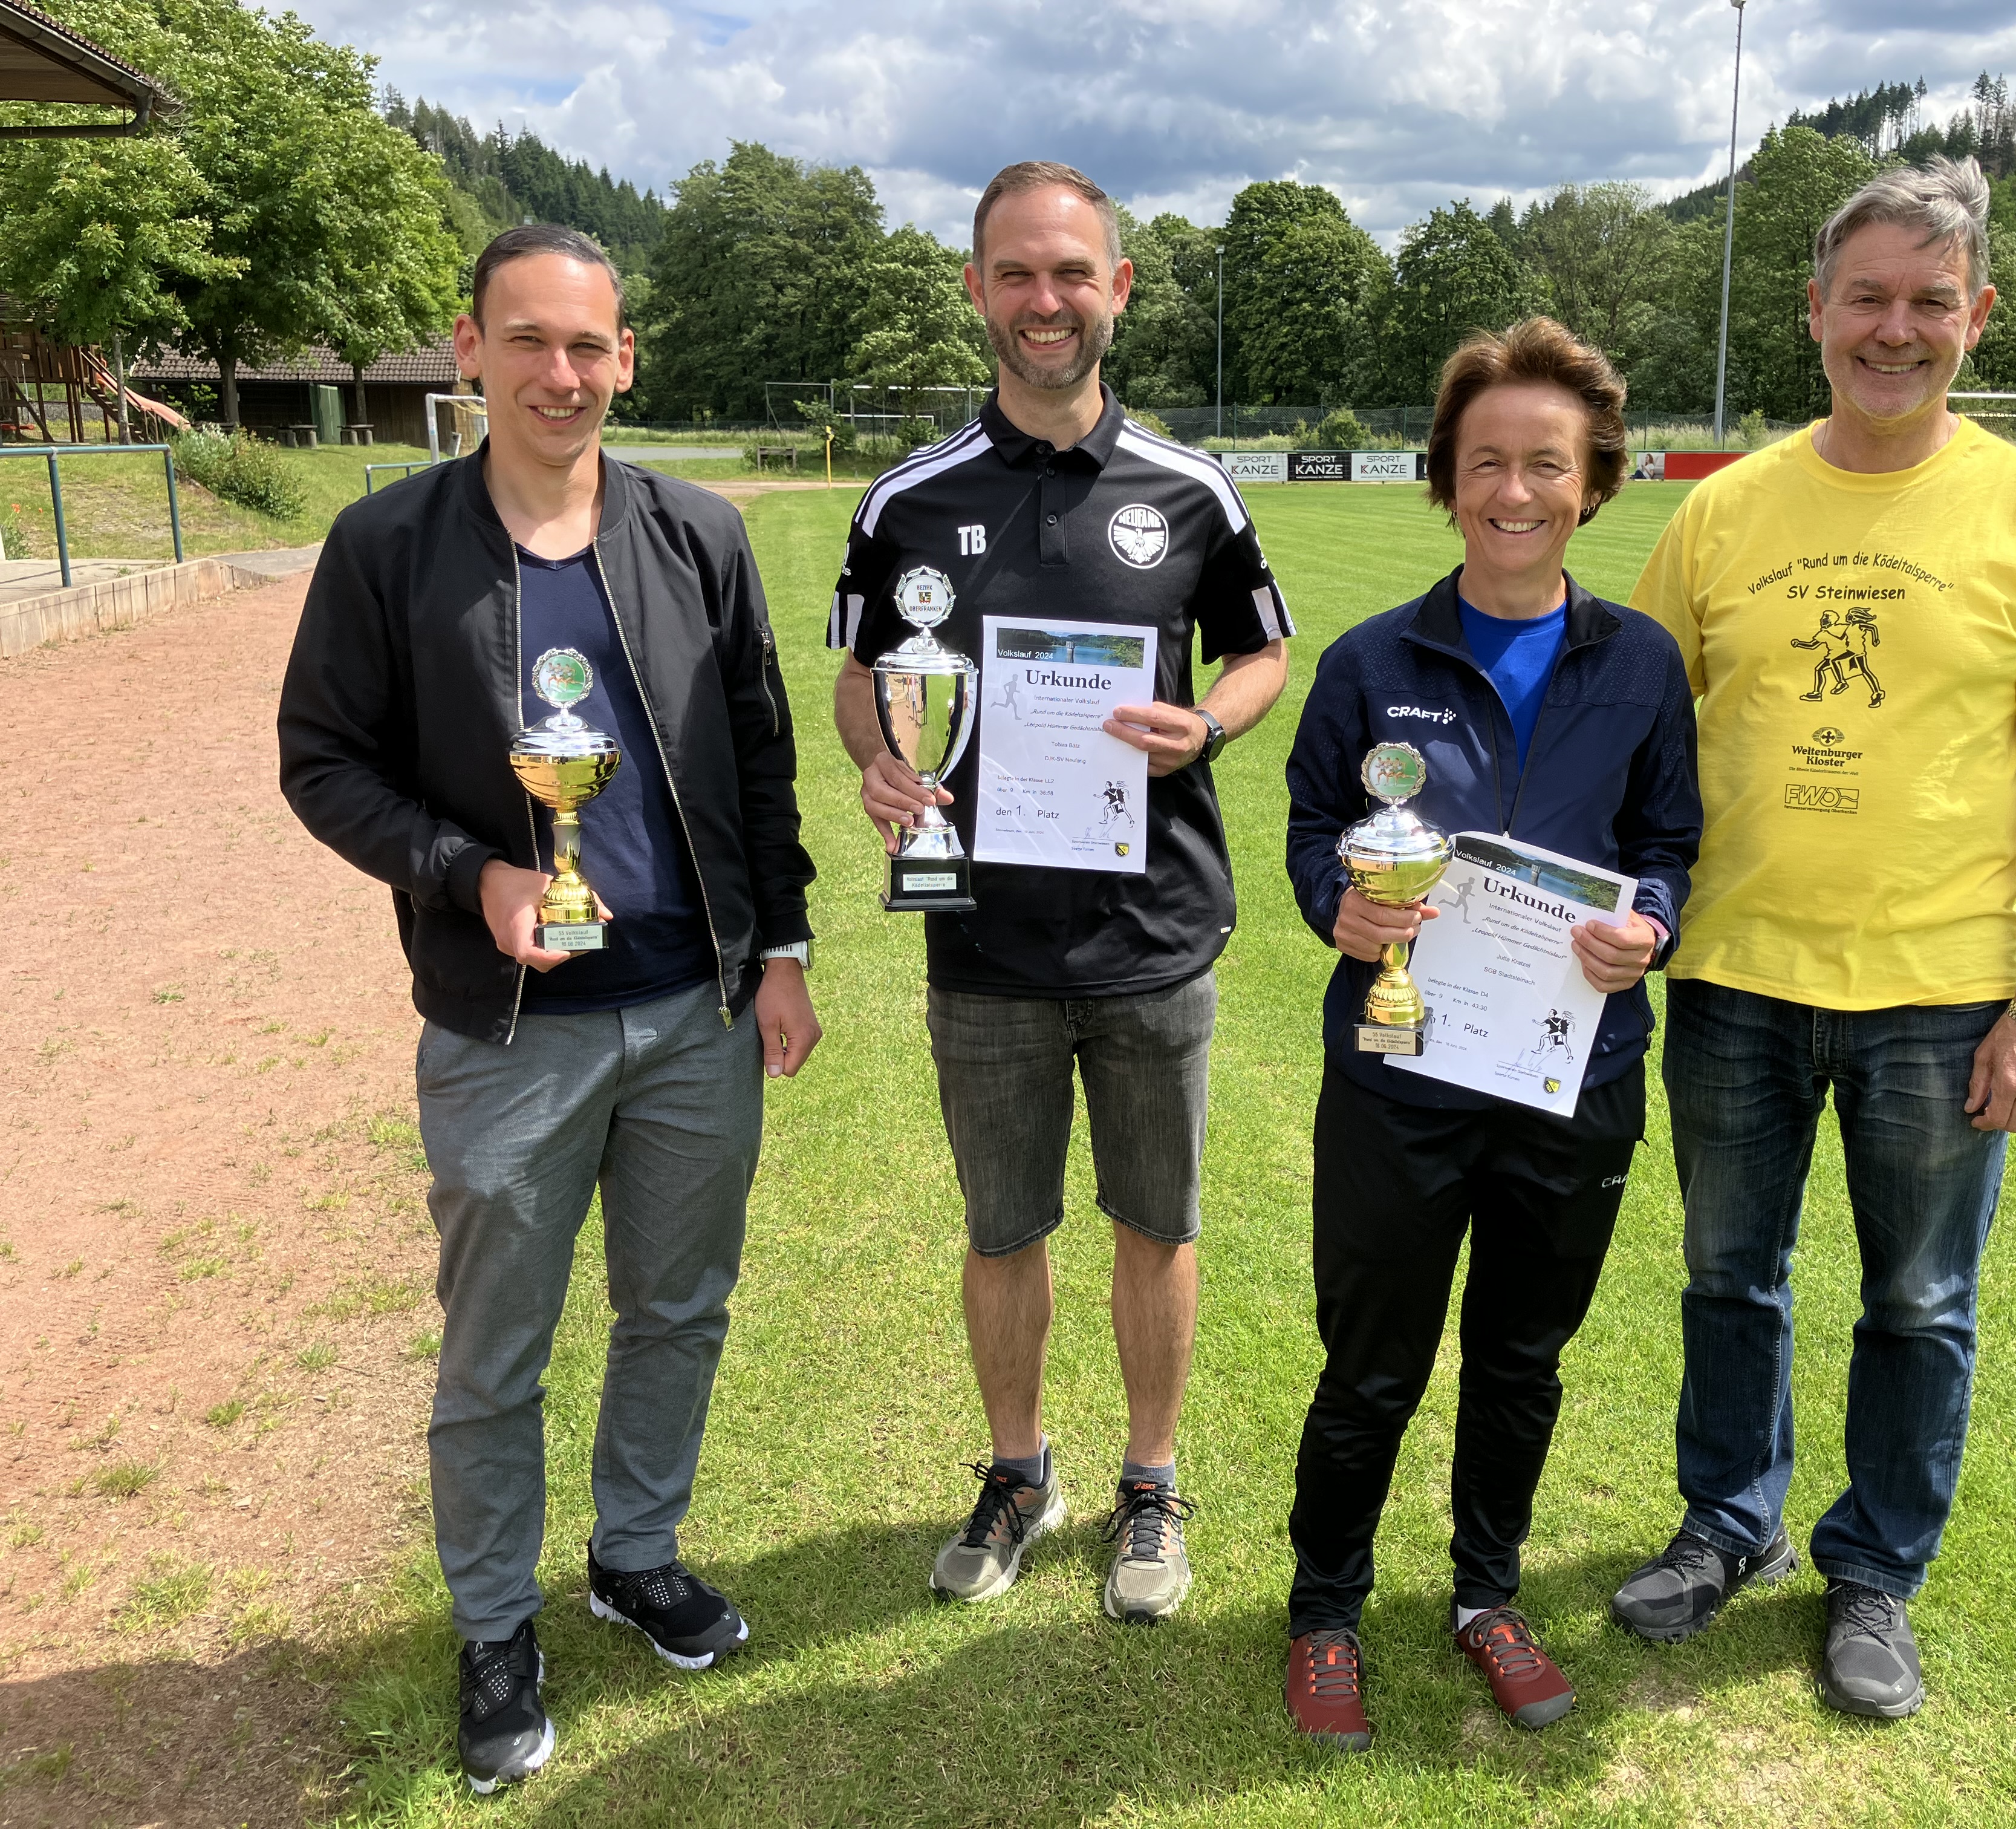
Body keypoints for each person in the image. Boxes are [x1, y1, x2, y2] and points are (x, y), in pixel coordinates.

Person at [278, 226, 820, 1793]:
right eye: (529, 342)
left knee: (679, 1308)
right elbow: (323, 759)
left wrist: (778, 950)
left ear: (625, 359)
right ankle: (495, 1625)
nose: (561, 375)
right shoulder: (388, 546)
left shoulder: (698, 536)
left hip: (694, 1017)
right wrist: (470, 876)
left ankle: (636, 1555)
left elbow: (762, 757)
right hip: (505, 1031)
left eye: (588, 347)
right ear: (471, 348)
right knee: (495, 1350)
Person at [1610, 157, 2016, 1720]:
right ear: (1815, 313)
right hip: (1736, 977)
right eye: (1867, 299)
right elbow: (1633, 723)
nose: (1894, 330)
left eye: (1927, 302)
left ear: (1976, 316)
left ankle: (1879, 1573)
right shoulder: (1729, 512)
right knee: (1729, 1277)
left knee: (1920, 1303)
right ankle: (1731, 1524)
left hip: (1942, 994)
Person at [828, 161, 1290, 1624]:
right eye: (1017, 274)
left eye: (1072, 273)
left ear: (1118, 291)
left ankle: (1152, 1485)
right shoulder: (906, 500)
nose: (1047, 301)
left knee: (1158, 1222)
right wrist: (883, 766)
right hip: (981, 936)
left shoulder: (1192, 489)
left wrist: (1210, 724)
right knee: (1004, 1228)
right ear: (976, 289)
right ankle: (1021, 1470)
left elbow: (1269, 653)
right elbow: (857, 680)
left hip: (1154, 933)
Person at [1278, 318, 1701, 1749]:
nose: (1514, 491)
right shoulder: (1366, 660)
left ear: (1592, 482)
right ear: (1444, 479)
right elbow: (1309, 833)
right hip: (1400, 1070)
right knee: (1375, 1361)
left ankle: (1486, 1596)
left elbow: (1666, 844)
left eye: (1546, 465)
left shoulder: (1642, 662)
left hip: (1571, 1075)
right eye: (1486, 464)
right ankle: (1326, 1610)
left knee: (1522, 1359)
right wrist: (1335, 906)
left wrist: (1649, 923)